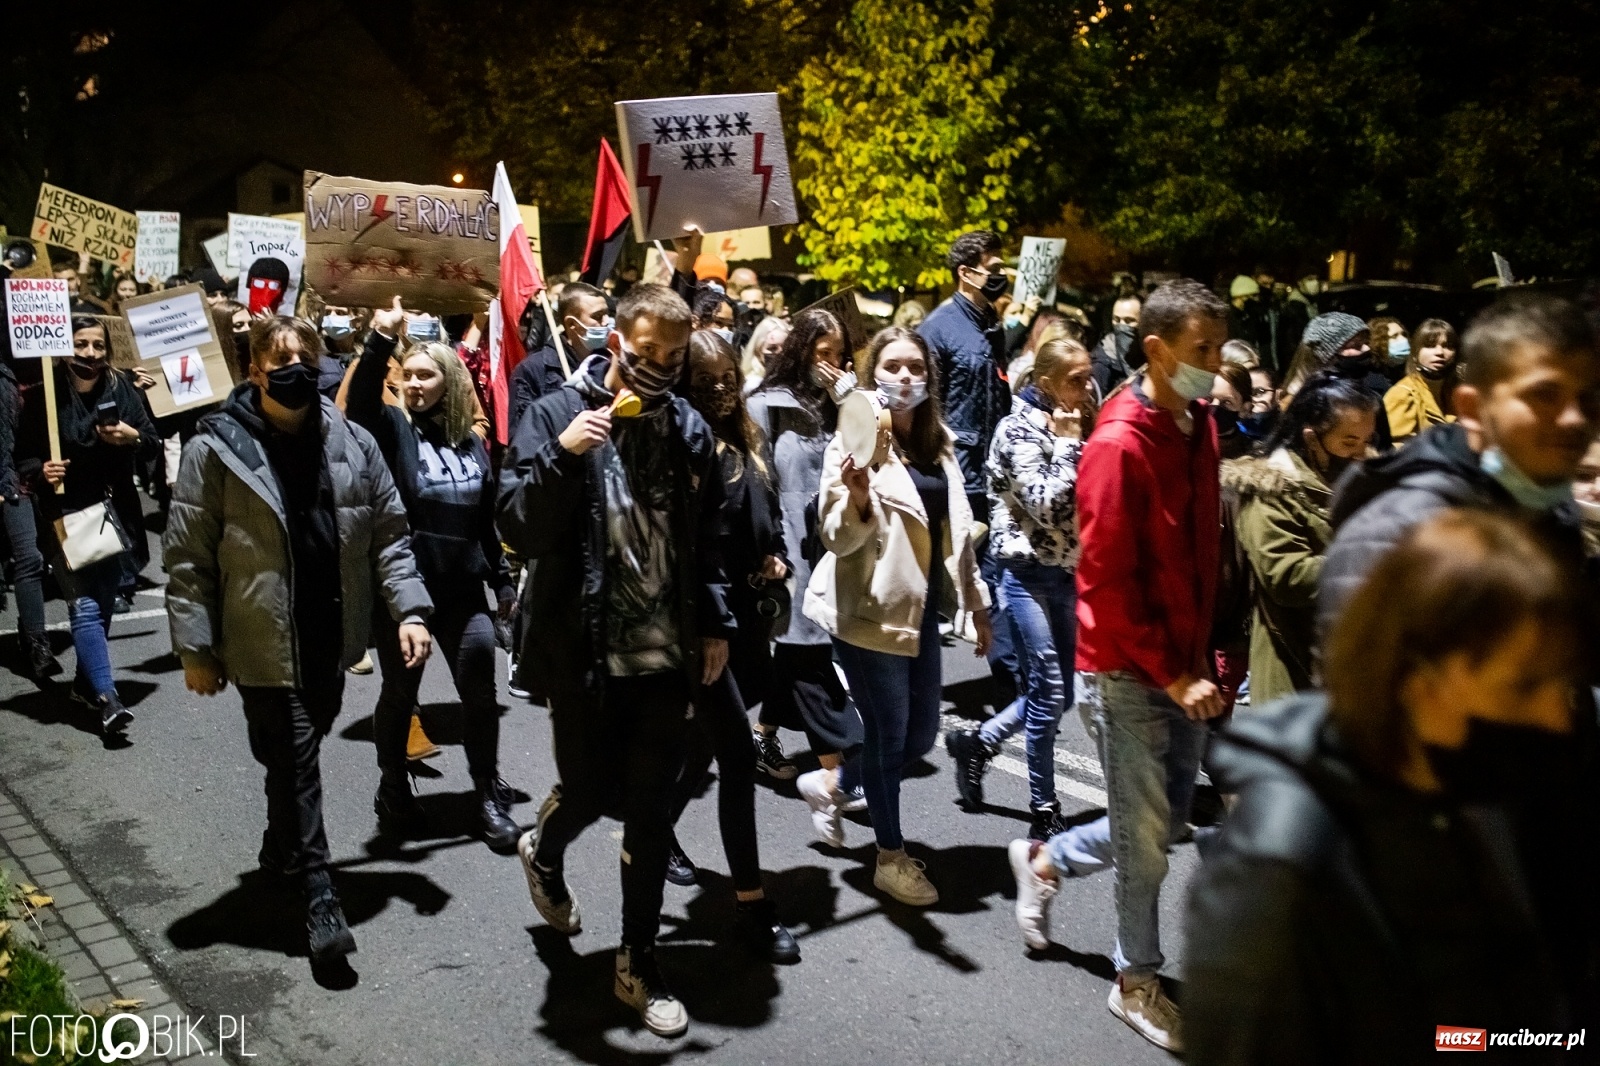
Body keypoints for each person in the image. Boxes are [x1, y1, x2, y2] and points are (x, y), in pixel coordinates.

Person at [1184, 510, 1599, 1063]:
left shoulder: (1479, 788)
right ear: (1419, 681)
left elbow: (1468, 1028)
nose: (1557, 715)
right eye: (1524, 687)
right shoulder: (1283, 868)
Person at [498, 283, 734, 1038]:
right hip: (586, 655)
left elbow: (708, 536)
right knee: (591, 792)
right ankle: (544, 849)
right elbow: (516, 525)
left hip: (665, 656)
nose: (659, 365)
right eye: (646, 351)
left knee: (651, 811)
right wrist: (564, 456)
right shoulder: (556, 415)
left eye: (674, 354)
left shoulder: (686, 427)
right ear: (615, 342)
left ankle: (638, 960)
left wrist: (715, 620)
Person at [164, 314, 434, 967]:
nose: (294, 371)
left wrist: (410, 611)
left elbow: (390, 536)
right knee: (296, 761)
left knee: (292, 758)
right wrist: (196, 647)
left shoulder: (354, 442)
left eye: (305, 361)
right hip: (260, 637)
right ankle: (319, 897)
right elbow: (188, 556)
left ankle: (280, 842)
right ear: (255, 371)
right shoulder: (215, 448)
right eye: (280, 361)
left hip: (330, 635)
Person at [1007, 279, 1230, 1054]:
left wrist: (1211, 655)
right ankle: (1136, 981)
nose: (1216, 361)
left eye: (1220, 345)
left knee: (1167, 826)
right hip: (1130, 673)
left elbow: (1207, 549)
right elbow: (1104, 584)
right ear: (1157, 350)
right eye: (1202, 348)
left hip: (1187, 664)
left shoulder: (1199, 424)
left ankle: (1047, 860)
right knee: (1147, 847)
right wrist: (1173, 674)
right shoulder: (1117, 444)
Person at [804, 327, 992, 905]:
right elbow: (833, 536)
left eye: (916, 367)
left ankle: (835, 783)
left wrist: (977, 605)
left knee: (920, 736)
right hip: (870, 610)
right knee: (889, 736)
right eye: (893, 366)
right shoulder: (853, 438)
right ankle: (890, 856)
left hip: (921, 612)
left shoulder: (940, 443)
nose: (906, 377)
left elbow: (958, 531)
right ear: (872, 373)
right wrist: (858, 497)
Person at [1318, 294, 1600, 644]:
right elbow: (1360, 674)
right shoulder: (1397, 532)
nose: (1574, 419)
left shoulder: (1554, 511)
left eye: (1588, 399)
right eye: (1544, 395)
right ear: (1472, 408)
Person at [346, 298, 520, 851]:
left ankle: (486, 792)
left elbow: (484, 521)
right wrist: (381, 339)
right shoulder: (393, 430)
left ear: (450, 382)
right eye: (409, 376)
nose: (415, 384)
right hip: (404, 596)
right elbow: (360, 405)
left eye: (427, 375)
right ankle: (393, 785)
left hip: (464, 591)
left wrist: (503, 581)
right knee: (401, 693)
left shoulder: (470, 443)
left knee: (480, 693)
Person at [662, 330, 799, 962]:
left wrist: (776, 554)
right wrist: (710, 627)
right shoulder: (687, 442)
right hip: (705, 620)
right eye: (705, 381)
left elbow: (766, 512)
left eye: (727, 378)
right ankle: (752, 904)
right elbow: (693, 546)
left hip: (747, 614)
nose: (720, 390)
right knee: (738, 758)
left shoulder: (747, 433)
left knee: (700, 748)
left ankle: (652, 829)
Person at [947, 338, 1093, 838]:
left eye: (1089, 377)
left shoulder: (1076, 422)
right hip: (1026, 576)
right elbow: (1047, 505)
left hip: (1067, 572)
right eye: (1075, 380)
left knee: (1060, 694)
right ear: (1046, 383)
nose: (1086, 388)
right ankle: (1044, 809)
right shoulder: (1016, 430)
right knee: (1048, 692)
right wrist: (1071, 445)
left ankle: (980, 741)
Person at [747, 310, 867, 840]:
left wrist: (855, 403)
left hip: (838, 548)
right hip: (788, 551)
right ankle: (840, 771)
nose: (832, 363)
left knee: (800, 654)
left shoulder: (843, 405)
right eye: (822, 353)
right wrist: (762, 547)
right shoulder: (765, 405)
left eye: (839, 354)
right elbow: (754, 482)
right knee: (807, 653)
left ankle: (763, 734)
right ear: (801, 351)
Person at [34, 318, 158, 733]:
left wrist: (131, 436)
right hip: (65, 510)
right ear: (63, 347)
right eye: (80, 344)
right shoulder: (45, 393)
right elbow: (19, 455)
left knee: (104, 599)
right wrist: (41, 471)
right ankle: (108, 698)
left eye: (98, 346)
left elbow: (151, 441)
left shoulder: (121, 388)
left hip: (112, 508)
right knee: (84, 603)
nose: (89, 353)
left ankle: (86, 685)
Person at [1223, 374, 1377, 707]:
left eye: (1366, 441)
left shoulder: (1361, 482)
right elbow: (1285, 575)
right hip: (1294, 675)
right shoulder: (1273, 489)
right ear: (1311, 438)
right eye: (1348, 443)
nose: (1360, 453)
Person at [918, 230, 1019, 702]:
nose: (1002, 276)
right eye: (994, 268)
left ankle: (1011, 677)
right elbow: (926, 406)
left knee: (995, 573)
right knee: (949, 578)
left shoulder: (989, 324)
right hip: (958, 474)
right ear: (966, 272)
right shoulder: (938, 329)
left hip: (992, 474)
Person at [0, 352, 60, 681]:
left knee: (51, 553)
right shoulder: (4, 377)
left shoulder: (55, 370)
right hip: (12, 481)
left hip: (48, 476)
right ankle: (39, 644)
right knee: (28, 557)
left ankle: (28, 629)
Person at [1282, 312, 1393, 451]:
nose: (1367, 348)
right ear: (1325, 356)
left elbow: (1384, 448)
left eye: (1366, 342)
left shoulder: (1370, 394)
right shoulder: (1293, 406)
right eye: (1355, 345)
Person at [510, 282, 610, 425]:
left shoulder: (610, 363)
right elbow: (522, 433)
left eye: (607, 314)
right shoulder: (532, 370)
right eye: (598, 316)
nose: (606, 322)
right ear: (571, 324)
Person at [1383, 317, 1458, 445]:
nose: (1440, 352)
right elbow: (1398, 449)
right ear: (1415, 354)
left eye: (1447, 346)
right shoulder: (1403, 394)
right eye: (1430, 346)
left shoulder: (1454, 392)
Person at [1090, 293, 1141, 404]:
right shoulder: (1102, 362)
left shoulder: (1151, 355)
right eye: (1117, 320)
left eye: (1129, 321)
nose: (1121, 326)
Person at [740, 316, 788, 392]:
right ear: (757, 350)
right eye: (772, 348)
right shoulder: (753, 385)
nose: (780, 353)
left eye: (785, 348)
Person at [1366, 314, 1408, 381]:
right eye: (1394, 336)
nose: (1404, 339)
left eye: (1403, 334)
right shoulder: (1372, 379)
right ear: (1378, 342)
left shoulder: (1410, 369)